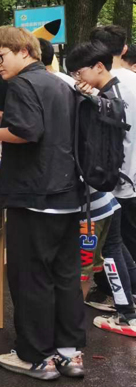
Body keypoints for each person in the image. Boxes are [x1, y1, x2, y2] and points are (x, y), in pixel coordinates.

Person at [0, 26, 86, 380]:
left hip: (35, 196)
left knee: (31, 278)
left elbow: (27, 130)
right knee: (64, 275)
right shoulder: (61, 83)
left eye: (0, 56)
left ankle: (35, 356)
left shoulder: (22, 84)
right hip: (68, 194)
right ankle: (69, 353)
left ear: (24, 51)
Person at [65, 40, 136, 337]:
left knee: (109, 251)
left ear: (97, 66)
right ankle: (129, 308)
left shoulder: (110, 97)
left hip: (112, 185)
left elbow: (111, 147)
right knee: (116, 247)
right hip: (116, 186)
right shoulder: (114, 90)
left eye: (79, 72)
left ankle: (127, 315)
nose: (77, 78)